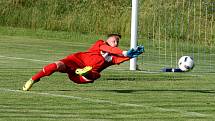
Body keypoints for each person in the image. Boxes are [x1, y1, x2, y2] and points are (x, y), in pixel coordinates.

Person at [23, 33, 144, 91]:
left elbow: (118, 58)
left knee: (96, 75)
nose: (116, 43)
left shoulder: (111, 58)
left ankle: (84, 72)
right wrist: (124, 52)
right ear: (108, 39)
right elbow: (109, 49)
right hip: (74, 61)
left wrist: (131, 55)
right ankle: (32, 79)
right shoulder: (100, 44)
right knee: (57, 65)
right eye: (114, 40)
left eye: (118, 42)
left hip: (80, 77)